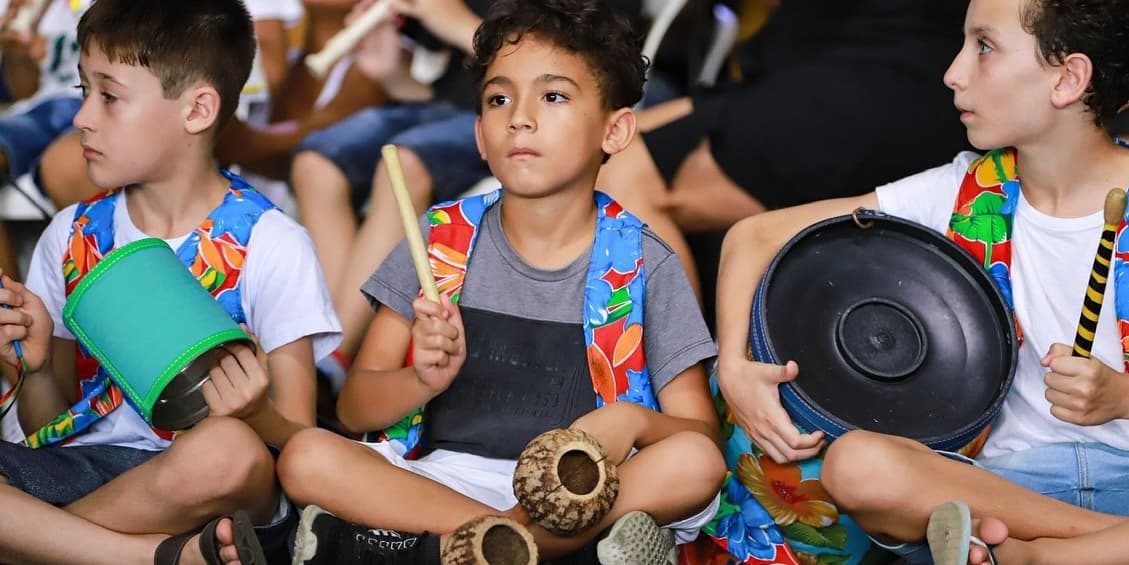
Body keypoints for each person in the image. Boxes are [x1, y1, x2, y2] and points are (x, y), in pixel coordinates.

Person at [275, 0, 725, 562]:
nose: (520, 116)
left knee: (693, 465)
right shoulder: (437, 240)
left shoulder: (645, 261)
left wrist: (630, 419)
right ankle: (526, 545)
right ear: (481, 136)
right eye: (499, 98)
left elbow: (701, 437)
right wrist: (422, 379)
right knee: (307, 456)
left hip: (584, 496)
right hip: (441, 484)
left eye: (554, 96)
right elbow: (356, 410)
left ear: (616, 130)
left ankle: (451, 549)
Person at [713, 0, 1129, 562]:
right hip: (1002, 490)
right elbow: (752, 237)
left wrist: (1122, 396)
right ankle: (1090, 544)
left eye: (983, 47)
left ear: (1068, 79)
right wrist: (734, 367)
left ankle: (1033, 557)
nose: (952, 73)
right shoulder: (960, 191)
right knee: (859, 465)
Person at [0, 1, 341, 564]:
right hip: (85, 476)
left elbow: (298, 444)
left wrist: (256, 415)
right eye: (85, 91)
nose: (82, 116)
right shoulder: (71, 235)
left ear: (197, 109)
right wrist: (35, 371)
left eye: (108, 96)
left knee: (229, 451)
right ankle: (154, 557)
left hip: (206, 490)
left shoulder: (271, 243)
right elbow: (49, 424)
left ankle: (39, 545)